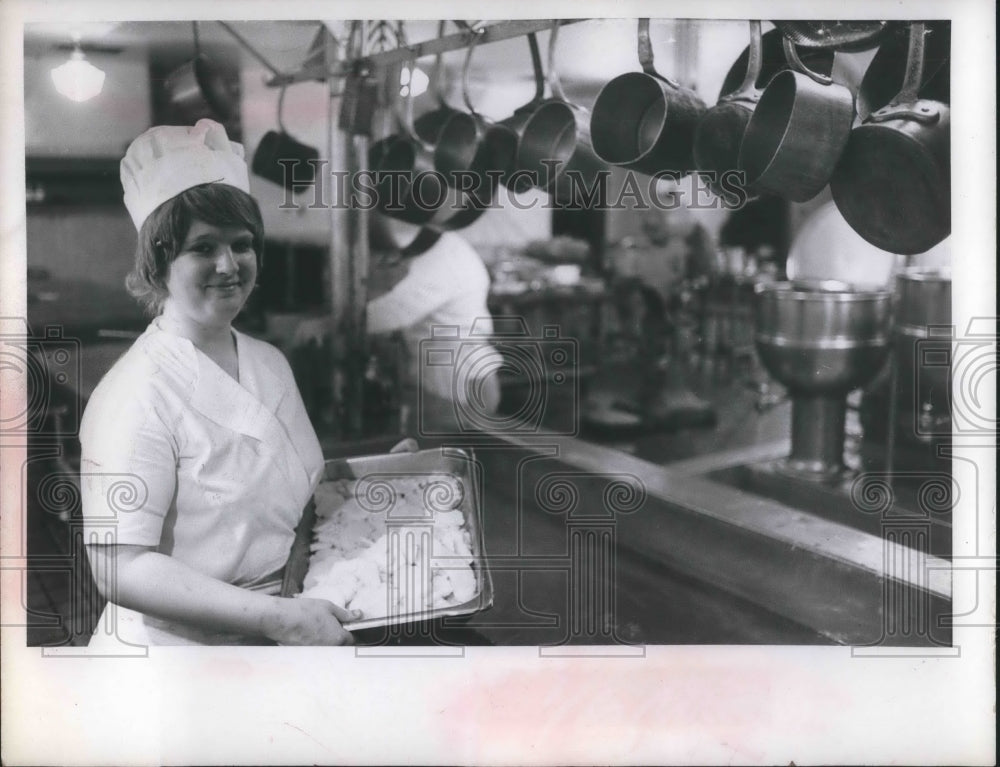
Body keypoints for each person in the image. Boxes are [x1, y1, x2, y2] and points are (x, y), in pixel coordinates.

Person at [81, 119, 361, 646]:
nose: (229, 265)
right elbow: (116, 567)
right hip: (178, 661)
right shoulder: (135, 394)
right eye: (203, 247)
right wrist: (271, 617)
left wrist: (381, 482)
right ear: (159, 262)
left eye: (242, 244)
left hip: (287, 619)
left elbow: (297, 492)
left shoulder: (269, 361)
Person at [296, 215, 503, 436]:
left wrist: (323, 326)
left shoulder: (445, 259)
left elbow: (395, 312)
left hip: (457, 378)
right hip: (448, 369)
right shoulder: (439, 247)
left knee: (454, 445)